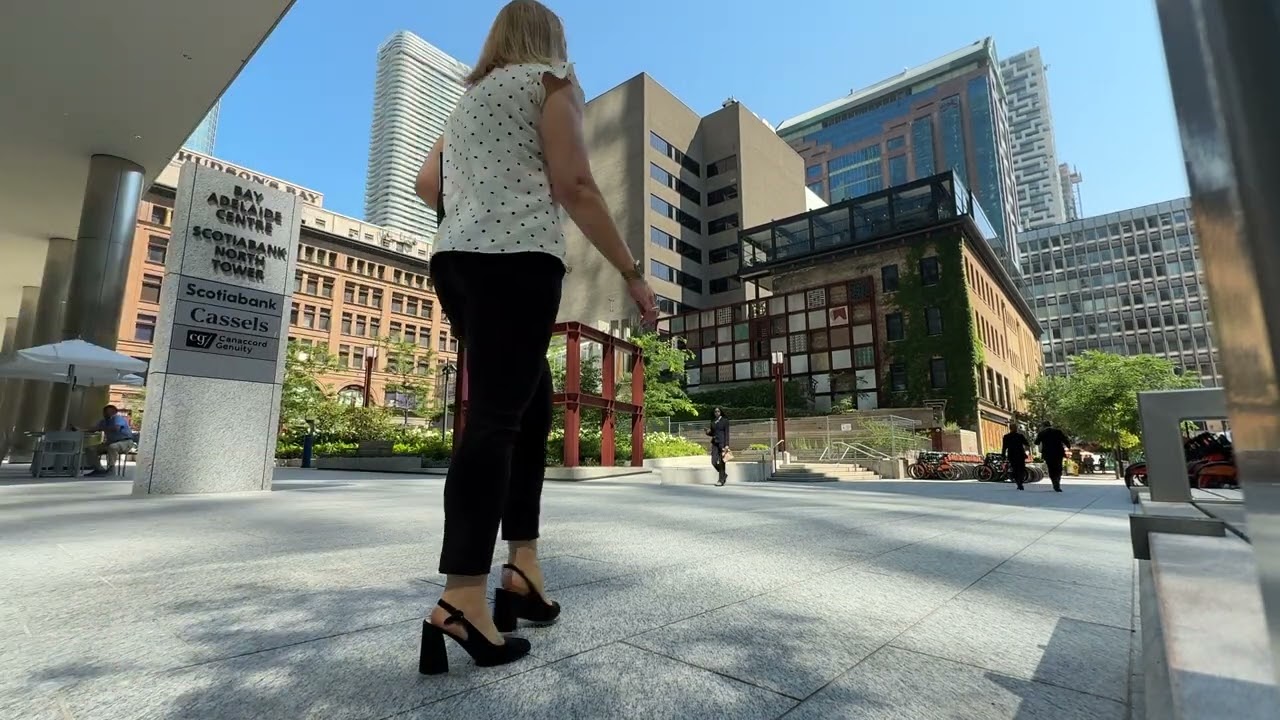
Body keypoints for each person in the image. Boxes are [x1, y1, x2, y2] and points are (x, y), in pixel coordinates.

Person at [411, 0, 658, 674]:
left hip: (455, 260)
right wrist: (633, 275)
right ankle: (462, 596)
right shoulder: (551, 81)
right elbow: (575, 183)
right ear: (552, 39)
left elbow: (427, 183)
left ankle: (522, 570)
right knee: (496, 420)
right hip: (516, 260)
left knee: (529, 406)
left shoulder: (466, 103)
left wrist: (476, 206)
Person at [87, 405, 134, 476]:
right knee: (90, 449)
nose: (105, 413)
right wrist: (79, 429)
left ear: (114, 412)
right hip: (110, 443)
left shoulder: (118, 418)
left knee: (112, 447)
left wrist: (102, 428)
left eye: (108, 411)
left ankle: (111, 469)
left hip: (125, 442)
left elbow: (116, 428)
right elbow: (94, 429)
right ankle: (98, 469)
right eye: (104, 412)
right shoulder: (103, 421)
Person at [1035, 421, 1071, 492]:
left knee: (1051, 468)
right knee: (1058, 467)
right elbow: (1065, 440)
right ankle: (1058, 481)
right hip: (1058, 453)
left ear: (1043, 426)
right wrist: (1068, 446)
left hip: (1048, 454)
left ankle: (1055, 483)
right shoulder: (1058, 431)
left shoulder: (1042, 433)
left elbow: (1036, 442)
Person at [1002, 423, 1031, 491]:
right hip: (1020, 455)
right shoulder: (1020, 436)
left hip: (1012, 455)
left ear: (1010, 428)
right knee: (1021, 469)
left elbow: (1004, 447)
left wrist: (1003, 454)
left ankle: (1018, 483)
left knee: (1015, 469)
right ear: (1016, 429)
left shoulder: (1006, 437)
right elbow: (1027, 443)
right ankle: (1020, 482)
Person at [706, 407, 730, 486]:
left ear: (721, 412)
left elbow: (727, 433)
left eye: (718, 411)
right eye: (715, 411)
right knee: (713, 462)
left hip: (722, 443)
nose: (716, 412)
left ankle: (721, 480)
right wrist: (708, 432)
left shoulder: (725, 421)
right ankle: (723, 475)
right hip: (715, 443)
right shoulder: (713, 421)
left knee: (722, 462)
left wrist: (727, 445)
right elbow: (713, 433)